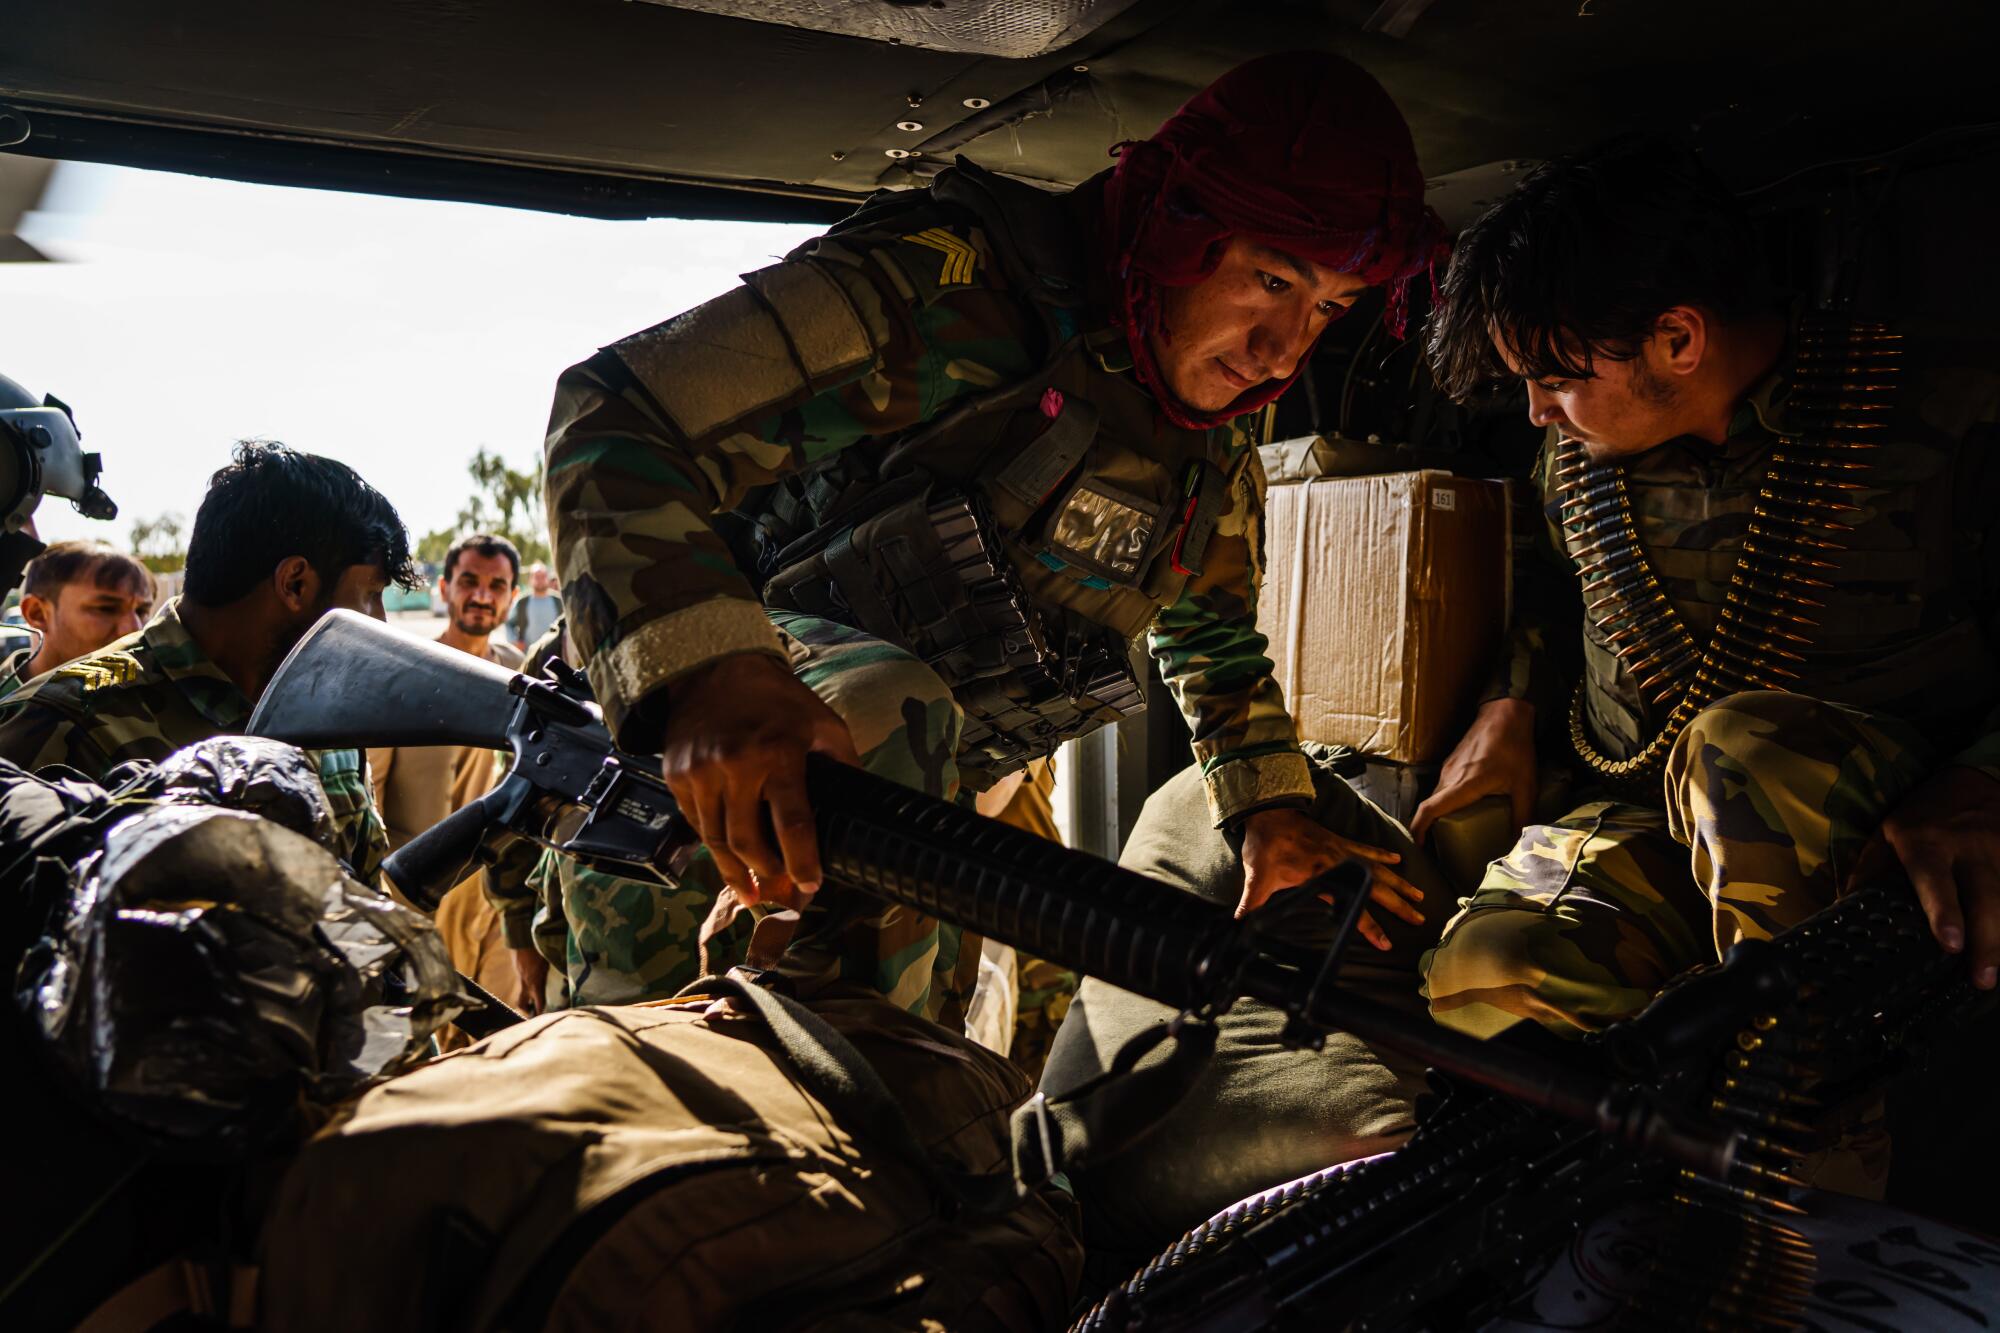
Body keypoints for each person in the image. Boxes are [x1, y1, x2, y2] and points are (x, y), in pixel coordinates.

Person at [543, 51, 1447, 1020]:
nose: (1283, 351)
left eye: (1328, 309)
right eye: (1270, 279)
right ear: (1174, 220)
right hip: (685, 788)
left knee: (972, 1074)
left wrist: (1267, 809)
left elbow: (1212, 636)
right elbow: (617, 415)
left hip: (912, 823)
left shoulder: (1209, 438)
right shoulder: (949, 291)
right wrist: (714, 675)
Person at [1413, 139, 1999, 1069]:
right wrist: (1510, 701)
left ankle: (1806, 1141)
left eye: (1556, 379)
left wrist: (1979, 786)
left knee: (1738, 748)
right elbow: (1551, 592)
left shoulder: (1942, 419)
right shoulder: (1578, 462)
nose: (1535, 413)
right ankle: (1651, 1157)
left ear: (1678, 340)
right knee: (1489, 973)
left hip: (1867, 840)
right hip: (1645, 812)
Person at [0, 441, 420, 882]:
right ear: (295, 584)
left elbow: (362, 894)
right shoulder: (60, 724)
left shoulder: (323, 718)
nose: (381, 620)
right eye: (372, 593)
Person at [367, 533, 526, 1000]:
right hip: (411, 893)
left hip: (491, 897)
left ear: (512, 597)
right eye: (469, 581)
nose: (482, 596)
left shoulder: (521, 674)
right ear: (445, 588)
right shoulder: (408, 673)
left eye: (497, 586)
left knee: (496, 1041)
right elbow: (368, 789)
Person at [0, 540, 152, 694]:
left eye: (142, 611)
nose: (135, 630)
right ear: (37, 613)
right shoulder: (7, 708)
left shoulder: (146, 693)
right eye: (107, 609)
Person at [506, 560, 561, 651]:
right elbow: (508, 624)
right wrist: (514, 641)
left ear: (547, 578)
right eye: (537, 577)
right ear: (530, 579)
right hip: (527, 656)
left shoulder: (558, 601)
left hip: (555, 655)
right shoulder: (522, 602)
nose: (540, 580)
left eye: (543, 576)